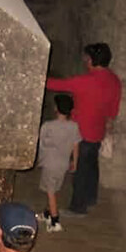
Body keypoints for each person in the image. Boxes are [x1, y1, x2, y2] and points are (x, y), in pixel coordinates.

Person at [45, 43, 121, 216]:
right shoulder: (114, 80)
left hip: (82, 131)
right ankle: (90, 198)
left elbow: (57, 85)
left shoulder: (86, 81)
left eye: (87, 58)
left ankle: (78, 207)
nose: (85, 61)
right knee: (91, 166)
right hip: (98, 130)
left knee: (79, 169)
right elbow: (113, 110)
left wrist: (36, 77)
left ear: (93, 60)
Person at [37, 94, 81, 232]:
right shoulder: (74, 127)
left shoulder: (48, 126)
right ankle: (47, 213)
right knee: (53, 189)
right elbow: (76, 145)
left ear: (56, 108)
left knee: (50, 191)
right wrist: (75, 161)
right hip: (63, 164)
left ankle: (55, 221)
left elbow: (41, 143)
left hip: (50, 163)